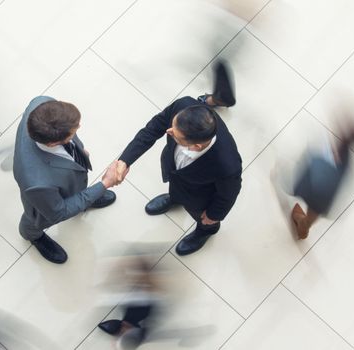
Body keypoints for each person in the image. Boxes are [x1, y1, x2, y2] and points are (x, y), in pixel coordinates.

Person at [115, 61, 242, 256]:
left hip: (200, 196)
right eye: (172, 126)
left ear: (197, 145)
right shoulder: (184, 106)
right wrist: (125, 160)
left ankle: (206, 231)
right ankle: (175, 198)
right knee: (176, 187)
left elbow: (228, 194)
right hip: (177, 174)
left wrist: (214, 216)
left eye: (175, 135)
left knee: (202, 217)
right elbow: (153, 128)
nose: (168, 131)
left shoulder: (227, 165)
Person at [13, 96, 121, 264]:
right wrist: (105, 183)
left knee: (71, 186)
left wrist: (79, 149)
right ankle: (32, 236)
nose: (78, 129)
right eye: (74, 131)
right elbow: (59, 211)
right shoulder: (37, 183)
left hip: (64, 180)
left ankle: (84, 199)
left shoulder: (41, 103)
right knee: (35, 218)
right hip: (44, 202)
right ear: (53, 143)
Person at [291, 122, 354, 239]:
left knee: (315, 207)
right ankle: (305, 225)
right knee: (317, 206)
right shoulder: (343, 161)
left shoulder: (338, 165)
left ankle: (304, 226)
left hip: (320, 194)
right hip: (323, 195)